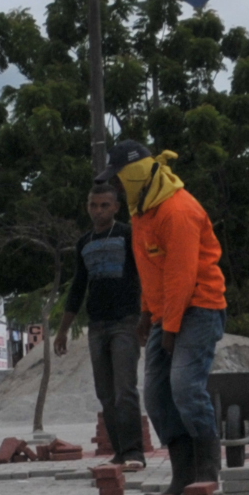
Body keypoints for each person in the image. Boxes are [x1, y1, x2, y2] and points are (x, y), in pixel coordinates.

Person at [112, 139, 227, 495]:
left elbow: (181, 275)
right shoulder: (141, 212)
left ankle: (207, 474)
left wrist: (171, 329)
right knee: (157, 397)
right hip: (167, 312)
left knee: (185, 387)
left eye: (117, 178)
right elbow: (152, 271)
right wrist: (148, 312)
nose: (113, 186)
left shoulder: (177, 211)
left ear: (133, 175)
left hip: (199, 307)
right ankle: (183, 476)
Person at [63, 179, 147, 465]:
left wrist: (147, 318)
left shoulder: (127, 235)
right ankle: (120, 453)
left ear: (116, 207)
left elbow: (144, 276)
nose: (97, 210)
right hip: (96, 326)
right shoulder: (84, 243)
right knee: (105, 393)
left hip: (125, 322)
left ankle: (135, 451)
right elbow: (78, 286)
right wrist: (63, 329)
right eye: (93, 205)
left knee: (125, 389)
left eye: (104, 205)